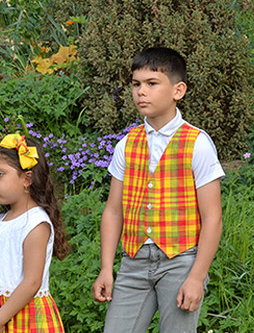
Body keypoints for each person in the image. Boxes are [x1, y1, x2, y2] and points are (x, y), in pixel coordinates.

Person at [92, 47, 224, 332]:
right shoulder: (127, 144)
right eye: (136, 84)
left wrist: (197, 277)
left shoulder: (197, 143)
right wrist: (106, 267)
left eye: (152, 84)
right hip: (133, 262)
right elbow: (113, 211)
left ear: (178, 90)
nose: (141, 92)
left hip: (181, 262)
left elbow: (213, 218)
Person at [0, 133, 69, 333]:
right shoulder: (2, 220)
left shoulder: (35, 224)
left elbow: (32, 282)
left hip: (25, 318)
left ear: (27, 179)